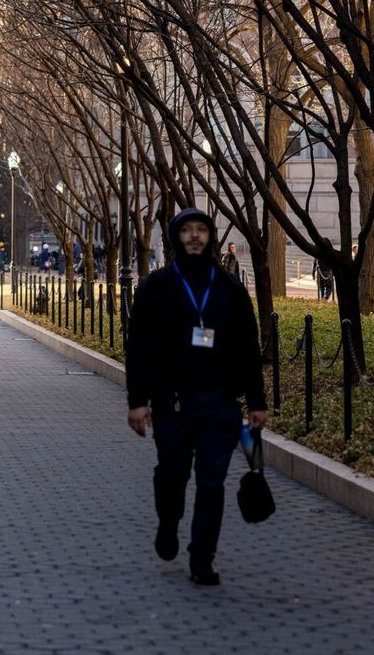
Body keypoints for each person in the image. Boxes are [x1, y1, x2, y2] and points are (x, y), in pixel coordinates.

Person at [125, 207, 268, 586]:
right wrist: (137, 401)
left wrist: (256, 402)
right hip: (171, 402)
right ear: (175, 237)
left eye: (200, 230)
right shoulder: (155, 288)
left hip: (219, 403)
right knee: (172, 475)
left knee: (211, 481)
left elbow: (248, 347)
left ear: (210, 236)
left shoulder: (230, 290)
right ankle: (168, 522)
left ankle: (202, 557)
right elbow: (136, 346)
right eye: (186, 230)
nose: (193, 236)